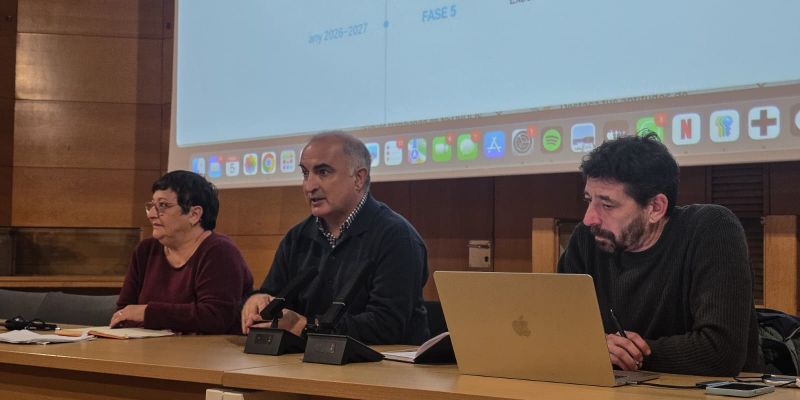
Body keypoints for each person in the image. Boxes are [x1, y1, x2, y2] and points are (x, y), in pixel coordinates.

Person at [558, 132, 762, 376]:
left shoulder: (712, 229)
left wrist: (622, 355)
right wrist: (596, 347)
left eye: (607, 205)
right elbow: (561, 331)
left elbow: (721, 351)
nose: (589, 218)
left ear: (655, 208)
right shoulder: (587, 238)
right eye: (589, 200)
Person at [241, 131, 430, 345]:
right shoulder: (297, 237)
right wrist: (258, 301)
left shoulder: (396, 237)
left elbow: (387, 326)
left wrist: (306, 327)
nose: (309, 186)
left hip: (384, 370)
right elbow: (275, 298)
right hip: (307, 366)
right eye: (305, 173)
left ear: (359, 178)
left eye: (323, 172)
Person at [112, 170, 254, 334]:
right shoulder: (146, 250)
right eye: (151, 206)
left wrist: (147, 313)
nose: (151, 214)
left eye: (163, 206)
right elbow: (124, 313)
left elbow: (216, 316)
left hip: (207, 355)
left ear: (194, 214)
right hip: (151, 351)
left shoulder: (220, 251)